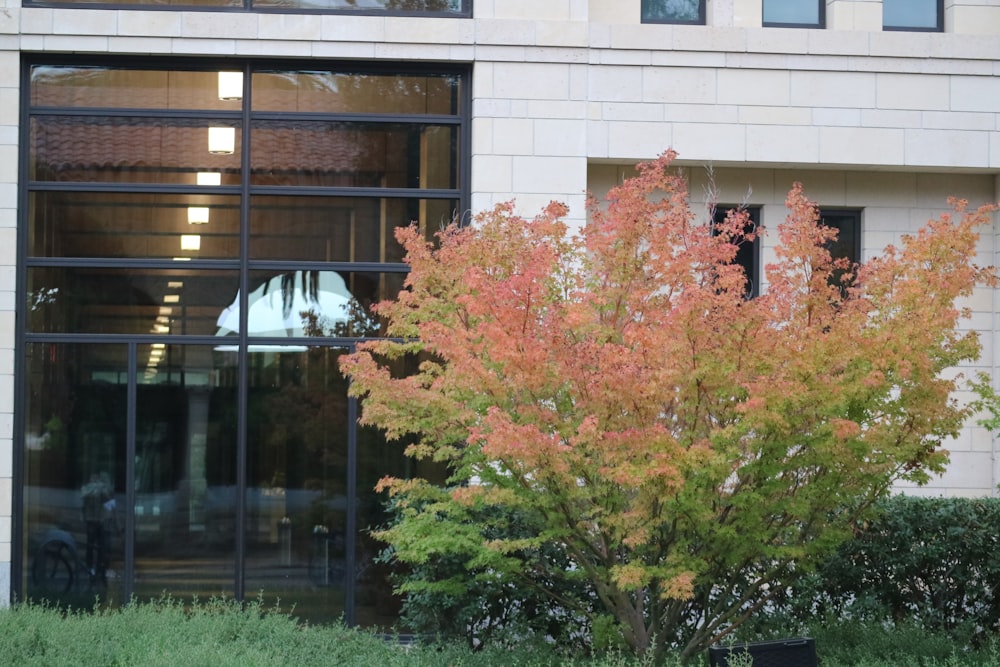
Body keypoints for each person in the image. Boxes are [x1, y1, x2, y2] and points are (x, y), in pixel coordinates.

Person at [81, 472, 112, 582]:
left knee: (101, 547)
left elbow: (108, 498)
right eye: (93, 479)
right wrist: (94, 488)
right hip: (91, 520)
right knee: (90, 546)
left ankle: (100, 569)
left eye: (96, 479)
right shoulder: (86, 488)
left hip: (100, 520)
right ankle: (89, 568)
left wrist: (100, 488)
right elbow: (84, 495)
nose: (94, 481)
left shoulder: (102, 488)